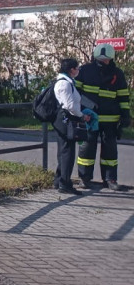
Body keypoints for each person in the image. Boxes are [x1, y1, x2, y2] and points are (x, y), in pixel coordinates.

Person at [75, 43, 130, 191]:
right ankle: (84, 179)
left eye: (106, 59)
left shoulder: (117, 73)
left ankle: (110, 179)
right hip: (89, 118)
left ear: (111, 58)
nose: (103, 61)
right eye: (101, 59)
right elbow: (75, 92)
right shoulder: (84, 70)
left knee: (110, 151)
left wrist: (126, 115)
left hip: (110, 120)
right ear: (95, 57)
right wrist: (84, 108)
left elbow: (123, 96)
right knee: (87, 149)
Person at [52, 58, 91, 195]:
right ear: (71, 70)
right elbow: (69, 106)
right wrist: (81, 116)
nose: (78, 70)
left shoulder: (67, 82)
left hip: (63, 119)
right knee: (67, 152)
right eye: (77, 68)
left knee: (64, 151)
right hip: (65, 120)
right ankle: (65, 183)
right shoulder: (64, 84)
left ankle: (59, 180)